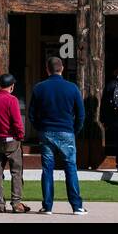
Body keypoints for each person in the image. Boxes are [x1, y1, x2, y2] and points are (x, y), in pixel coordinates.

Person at [29, 56, 87, 216]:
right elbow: (81, 114)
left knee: (47, 168)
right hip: (66, 131)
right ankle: (77, 206)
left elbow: (32, 114)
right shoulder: (72, 88)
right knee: (71, 168)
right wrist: (74, 130)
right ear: (61, 69)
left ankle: (47, 206)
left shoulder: (39, 88)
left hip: (46, 132)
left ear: (47, 69)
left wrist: (40, 128)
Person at [0, 73, 29, 213]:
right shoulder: (12, 100)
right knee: (16, 172)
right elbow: (17, 122)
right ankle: (16, 203)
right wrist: (21, 136)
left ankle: (0, 204)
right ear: (12, 86)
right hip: (12, 140)